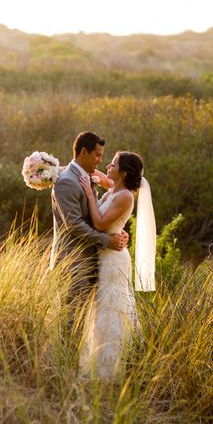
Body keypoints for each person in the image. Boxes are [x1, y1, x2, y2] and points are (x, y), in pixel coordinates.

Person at [78, 151, 156, 379]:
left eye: (113, 164)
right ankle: (96, 362)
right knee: (100, 309)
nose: (108, 166)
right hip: (105, 255)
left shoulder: (125, 197)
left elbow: (101, 224)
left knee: (111, 310)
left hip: (114, 259)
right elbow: (96, 174)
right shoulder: (113, 188)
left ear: (122, 172)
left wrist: (90, 197)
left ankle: (110, 369)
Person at [50, 132, 129, 341]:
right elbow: (74, 225)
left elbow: (102, 212)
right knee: (71, 322)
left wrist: (116, 230)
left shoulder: (85, 176)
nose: (100, 161)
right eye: (97, 155)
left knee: (86, 324)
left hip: (93, 261)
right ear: (83, 152)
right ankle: (64, 369)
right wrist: (107, 240)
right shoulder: (67, 181)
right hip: (73, 261)